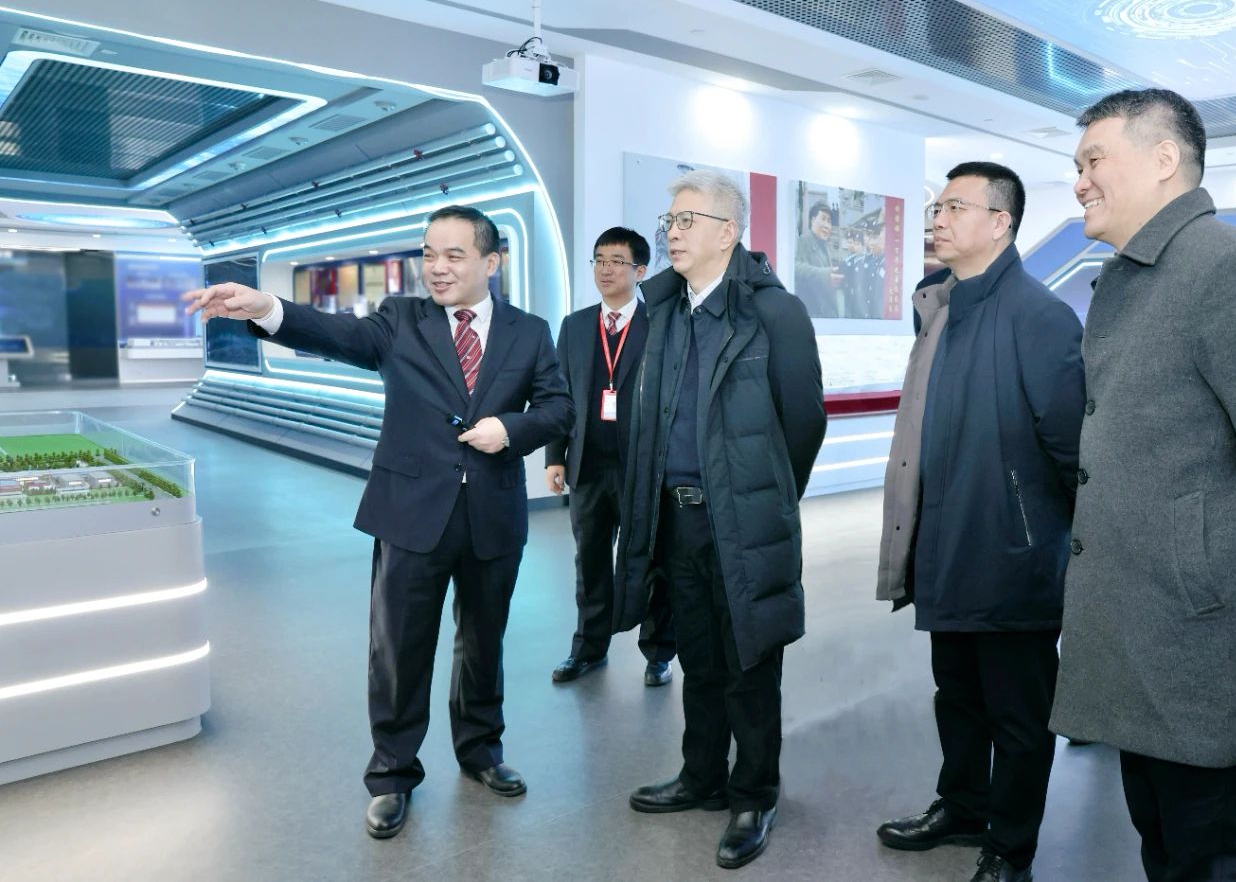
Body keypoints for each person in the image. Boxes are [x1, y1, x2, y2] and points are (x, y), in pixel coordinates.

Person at [182, 204, 573, 840]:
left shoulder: (529, 332)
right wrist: (266, 307)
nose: (437, 268)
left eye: (454, 255)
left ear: (491, 262)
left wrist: (510, 429)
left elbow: (558, 408)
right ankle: (393, 775)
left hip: (492, 515)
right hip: (411, 515)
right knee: (399, 649)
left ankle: (481, 750)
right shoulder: (401, 320)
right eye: (429, 254)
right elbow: (335, 333)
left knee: (485, 643)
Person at [1050, 88, 1236, 881]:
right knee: (1171, 851)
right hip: (1144, 644)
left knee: (1220, 859)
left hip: (1207, 655)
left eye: (1094, 159)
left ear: (1164, 159)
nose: (1079, 180)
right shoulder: (1132, 277)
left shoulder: (1229, 268)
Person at [875, 161, 1085, 882]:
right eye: (936, 207)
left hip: (1012, 553)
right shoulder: (939, 307)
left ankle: (1010, 846)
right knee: (957, 695)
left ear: (1000, 222)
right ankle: (962, 805)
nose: (936, 218)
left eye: (954, 207)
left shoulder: (1039, 315)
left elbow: (1072, 451)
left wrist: (1049, 542)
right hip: (944, 542)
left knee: (1018, 716)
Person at [614, 170, 826, 870]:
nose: (671, 233)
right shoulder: (664, 312)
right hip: (675, 521)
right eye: (668, 221)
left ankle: (753, 794)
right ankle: (700, 775)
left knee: (749, 662)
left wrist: (763, 496)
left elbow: (803, 423)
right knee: (698, 659)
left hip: (741, 519)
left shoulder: (775, 313)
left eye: (686, 221)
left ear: (728, 232)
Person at [544, 226, 676, 686]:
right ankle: (588, 648)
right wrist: (555, 456)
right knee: (590, 562)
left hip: (643, 467)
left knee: (652, 560)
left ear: (640, 271)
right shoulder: (575, 326)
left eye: (617, 261)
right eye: (600, 260)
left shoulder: (660, 324)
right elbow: (558, 396)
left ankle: (658, 652)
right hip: (588, 465)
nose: (606, 269)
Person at [793, 201, 840, 318]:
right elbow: (795, 268)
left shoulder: (824, 247)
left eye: (829, 221)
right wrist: (825, 275)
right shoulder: (804, 240)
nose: (827, 225)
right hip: (812, 314)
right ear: (813, 220)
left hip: (825, 314)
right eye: (823, 219)